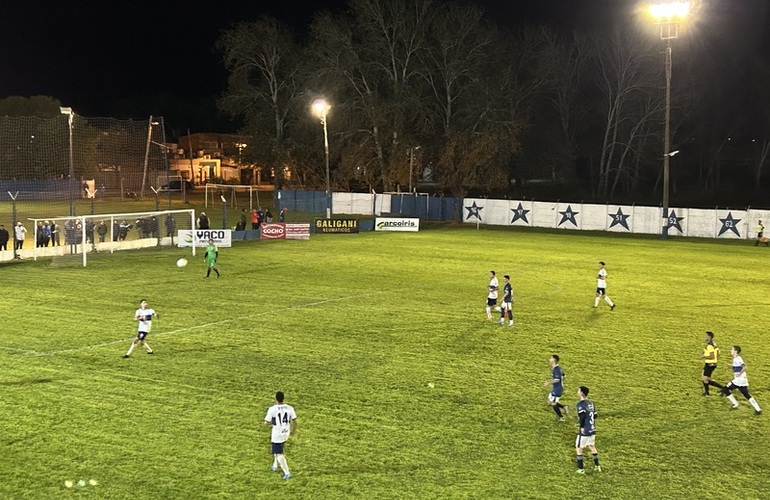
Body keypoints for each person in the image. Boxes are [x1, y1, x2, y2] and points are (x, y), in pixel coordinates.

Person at [264, 391, 297, 480]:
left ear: (275, 399)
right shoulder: (290, 408)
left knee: (279, 453)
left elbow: (266, 423)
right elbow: (295, 421)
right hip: (286, 432)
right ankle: (275, 465)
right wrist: (293, 431)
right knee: (278, 447)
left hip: (277, 434)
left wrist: (272, 422)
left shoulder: (272, 409)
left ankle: (287, 472)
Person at [720, 346, 762, 415]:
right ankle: (758, 409)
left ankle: (735, 403)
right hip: (743, 380)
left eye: (732, 349)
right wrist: (731, 366)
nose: (730, 350)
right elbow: (737, 367)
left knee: (725, 389)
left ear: (736, 351)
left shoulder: (738, 359)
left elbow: (744, 367)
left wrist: (739, 373)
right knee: (746, 394)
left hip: (739, 380)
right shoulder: (736, 359)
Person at [575, 386, 601, 474]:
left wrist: (582, 426)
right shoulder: (591, 403)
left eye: (578, 390)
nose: (577, 392)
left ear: (581, 393)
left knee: (579, 448)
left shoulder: (580, 404)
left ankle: (581, 469)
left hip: (585, 430)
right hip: (592, 429)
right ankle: (597, 466)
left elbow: (582, 416)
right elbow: (595, 415)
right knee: (591, 446)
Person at [544, 355, 568, 420]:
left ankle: (561, 417)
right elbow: (564, 375)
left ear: (554, 360)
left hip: (557, 389)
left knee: (553, 404)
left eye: (551, 358)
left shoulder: (556, 370)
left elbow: (557, 379)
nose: (549, 359)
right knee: (550, 401)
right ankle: (564, 407)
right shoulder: (559, 368)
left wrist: (548, 382)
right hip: (557, 388)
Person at [700, 331, 723, 396]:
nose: (704, 337)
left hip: (710, 364)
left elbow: (712, 356)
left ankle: (723, 388)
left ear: (709, 337)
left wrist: (704, 356)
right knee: (704, 377)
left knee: (705, 378)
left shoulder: (710, 345)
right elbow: (718, 352)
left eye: (706, 336)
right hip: (710, 363)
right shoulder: (713, 343)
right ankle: (707, 393)